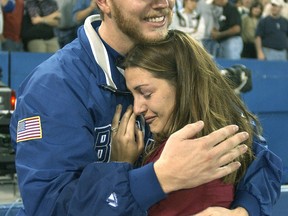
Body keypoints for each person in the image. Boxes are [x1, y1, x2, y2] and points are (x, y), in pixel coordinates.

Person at [9, 1, 282, 215]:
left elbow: (258, 158)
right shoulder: (53, 87)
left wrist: (245, 211)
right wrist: (157, 177)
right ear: (103, 2)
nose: (163, 3)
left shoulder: (180, 60)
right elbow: (49, 207)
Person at [114, 29, 282, 215]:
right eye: (133, 96)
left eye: (146, 93)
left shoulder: (193, 159)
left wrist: (120, 167)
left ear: (183, 84)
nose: (137, 108)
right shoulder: (214, 134)